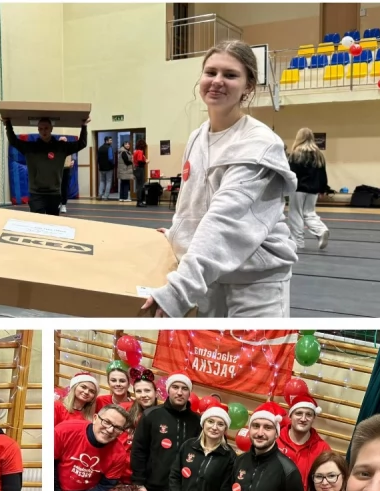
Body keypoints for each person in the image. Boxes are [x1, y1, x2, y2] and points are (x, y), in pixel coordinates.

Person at [142, 40, 298, 318]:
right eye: (210, 72)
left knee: (250, 349)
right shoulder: (197, 137)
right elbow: (192, 203)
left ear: (248, 86)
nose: (217, 81)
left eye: (230, 75)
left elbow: (224, 221)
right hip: (209, 278)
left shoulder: (258, 142)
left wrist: (178, 292)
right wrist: (178, 235)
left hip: (254, 283)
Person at [3, 116, 90, 215]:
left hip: (54, 194)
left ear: (51, 128)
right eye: (41, 129)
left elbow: (82, 143)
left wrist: (84, 126)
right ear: (38, 130)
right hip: (36, 194)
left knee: (52, 221)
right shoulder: (30, 148)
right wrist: (8, 124)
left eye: (46, 128)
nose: (43, 131)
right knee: (37, 221)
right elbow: (13, 141)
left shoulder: (61, 147)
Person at [285, 128, 332, 250]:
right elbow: (322, 173)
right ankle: (321, 230)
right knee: (309, 213)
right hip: (313, 190)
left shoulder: (295, 154)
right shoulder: (319, 155)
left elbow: (291, 173)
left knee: (296, 214)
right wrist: (323, 189)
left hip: (298, 189)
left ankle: (298, 242)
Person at [125, 369, 160, 449]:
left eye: (147, 390)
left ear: (156, 393)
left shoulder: (162, 416)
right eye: (138, 391)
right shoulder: (126, 410)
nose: (143, 395)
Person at [133, 140, 149, 205]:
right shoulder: (140, 152)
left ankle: (139, 200)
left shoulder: (135, 151)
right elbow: (140, 161)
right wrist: (145, 162)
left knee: (138, 185)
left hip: (136, 169)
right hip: (140, 169)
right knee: (140, 185)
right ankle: (139, 201)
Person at [60, 142, 74, 213]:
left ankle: (63, 205)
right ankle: (58, 203)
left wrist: (72, 161)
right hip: (57, 170)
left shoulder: (69, 150)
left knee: (65, 187)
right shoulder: (56, 150)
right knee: (57, 187)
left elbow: (74, 158)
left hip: (66, 170)